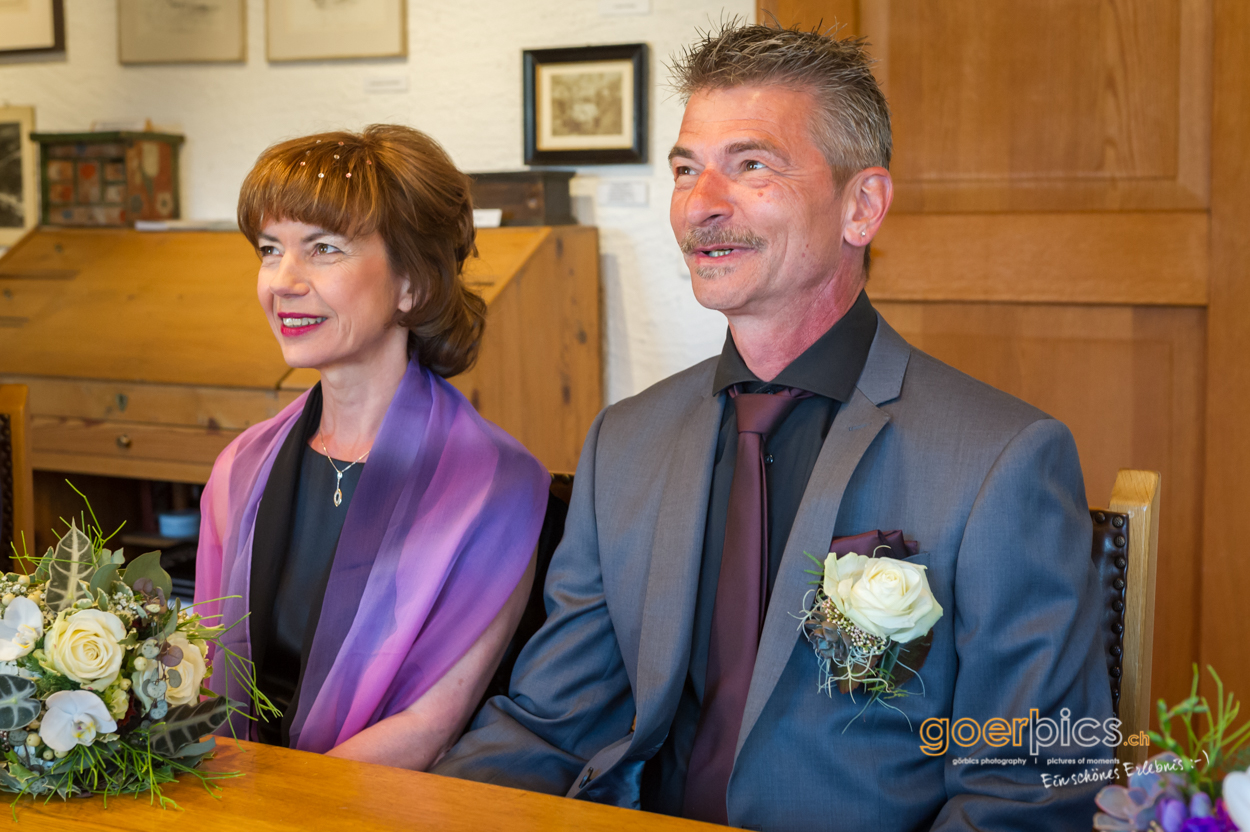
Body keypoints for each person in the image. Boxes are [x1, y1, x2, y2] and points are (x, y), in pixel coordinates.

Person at [433, 22, 1114, 831]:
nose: (702, 205)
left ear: (862, 207)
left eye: (751, 166)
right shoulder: (625, 441)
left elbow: (1031, 787)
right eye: (687, 169)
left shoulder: (1003, 459)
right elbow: (550, 726)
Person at [194, 125, 549, 769]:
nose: (282, 281)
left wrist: (281, 809)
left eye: (323, 249)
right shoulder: (240, 465)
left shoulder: (493, 483)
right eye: (270, 249)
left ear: (411, 284)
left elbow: (430, 726)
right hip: (232, 792)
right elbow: (201, 672)